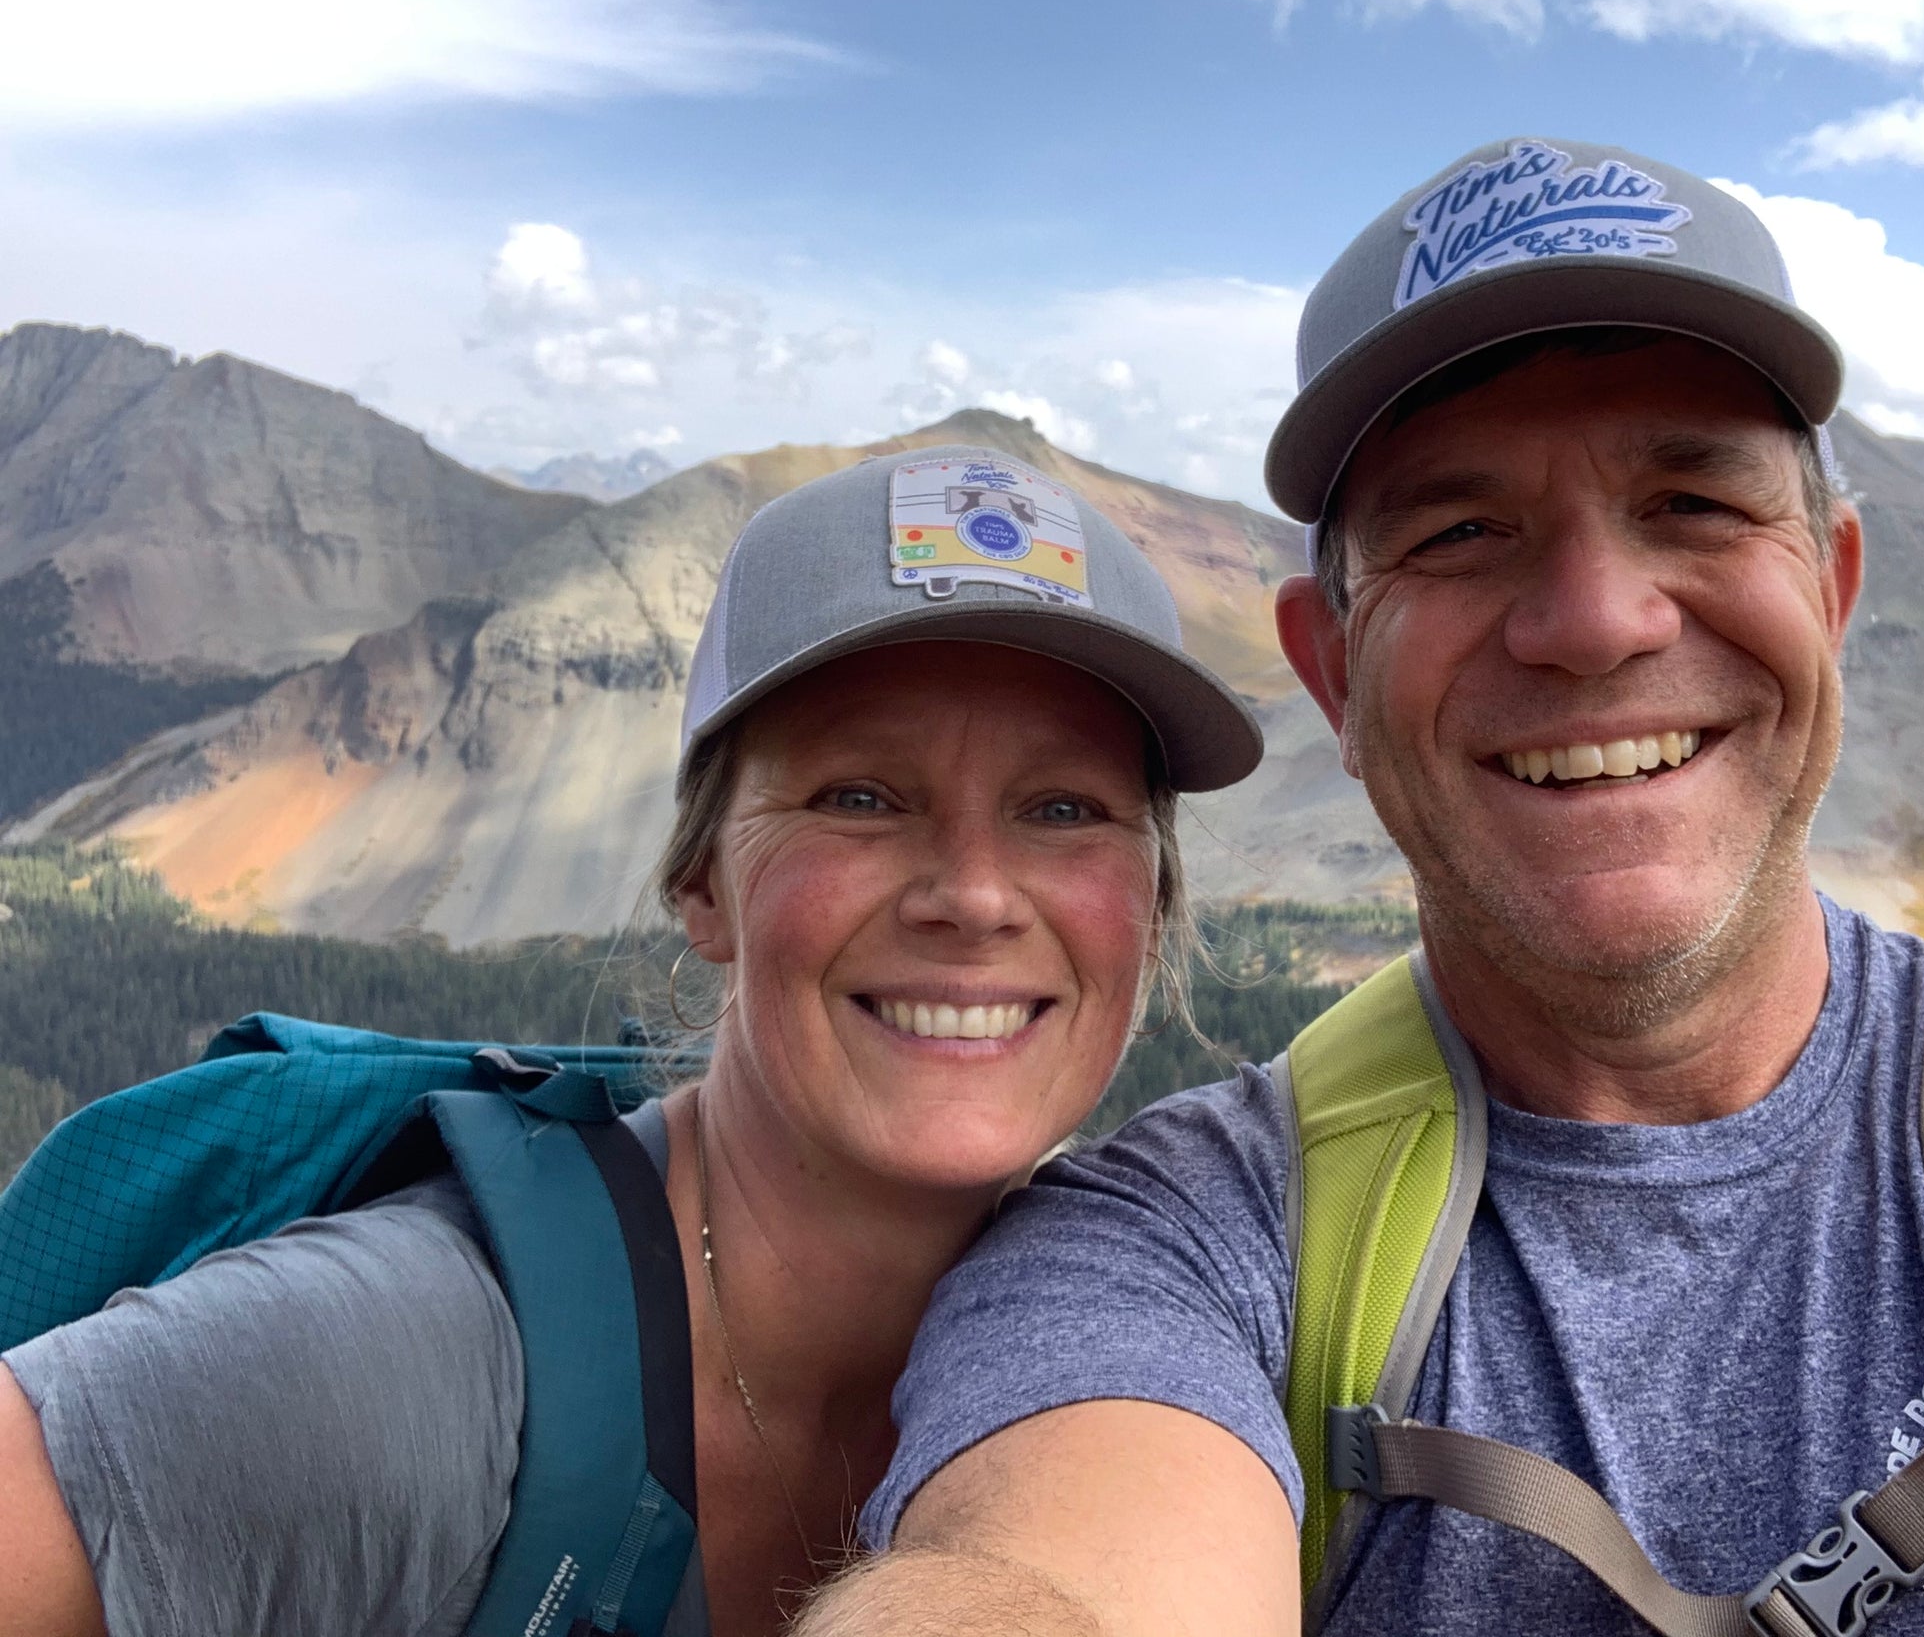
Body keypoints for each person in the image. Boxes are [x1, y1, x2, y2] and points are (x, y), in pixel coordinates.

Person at [798, 141, 1924, 1637]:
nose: (1595, 619)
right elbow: (1039, 1575)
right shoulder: (1171, 1250)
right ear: (1334, 670)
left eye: (1693, 503)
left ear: (1830, 588)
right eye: (1464, 529)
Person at [0, 443, 1263, 1637]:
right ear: (702, 884)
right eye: (861, 798)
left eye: (1063, 809)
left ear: (1148, 909)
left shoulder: (1167, 1312)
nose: (975, 894)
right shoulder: (381, 1365)